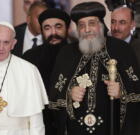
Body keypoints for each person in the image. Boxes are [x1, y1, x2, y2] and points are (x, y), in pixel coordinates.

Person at [48, 2, 140, 135]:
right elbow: (53, 98)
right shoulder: (66, 53)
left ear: (101, 25)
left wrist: (122, 93)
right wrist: (69, 94)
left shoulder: (122, 50)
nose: (87, 29)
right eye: (81, 25)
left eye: (91, 23)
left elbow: (136, 91)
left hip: (112, 128)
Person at [22, 8, 71, 135]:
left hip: (71, 123)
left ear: (67, 28)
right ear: (42, 31)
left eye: (58, 27)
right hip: (41, 124)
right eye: (47, 28)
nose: (53, 33)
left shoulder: (79, 54)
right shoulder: (30, 57)